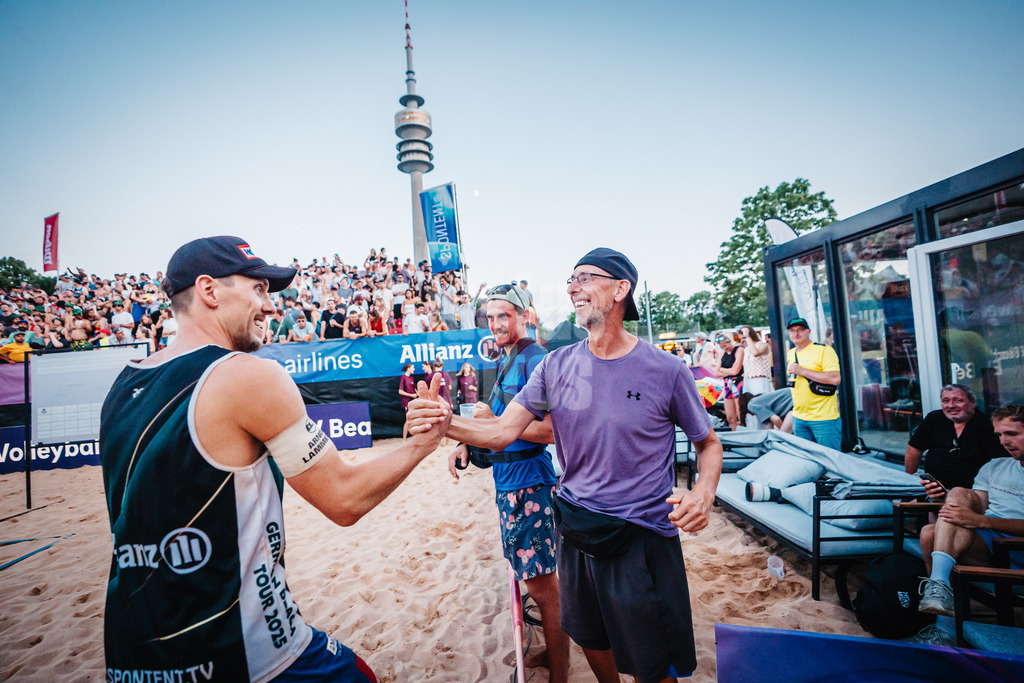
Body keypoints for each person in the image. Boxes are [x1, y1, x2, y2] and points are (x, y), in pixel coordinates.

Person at [99, 235, 450, 680]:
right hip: (240, 654)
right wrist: (421, 443)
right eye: (258, 289)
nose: (271, 306)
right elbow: (344, 499)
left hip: (133, 656)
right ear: (209, 291)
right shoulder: (246, 375)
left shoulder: (123, 387)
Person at [411, 247, 723, 682]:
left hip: (642, 535)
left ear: (620, 290)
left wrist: (703, 493)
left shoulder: (666, 369)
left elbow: (708, 443)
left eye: (586, 277)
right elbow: (501, 432)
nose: (573, 287)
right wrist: (447, 422)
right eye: (571, 278)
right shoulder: (556, 365)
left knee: (653, 664)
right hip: (576, 527)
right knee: (593, 640)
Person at [444, 284, 569, 682]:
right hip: (510, 481)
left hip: (530, 482)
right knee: (534, 580)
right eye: (491, 317)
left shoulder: (536, 357)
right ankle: (552, 654)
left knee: (543, 587)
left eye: (505, 316)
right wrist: (468, 442)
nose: (496, 324)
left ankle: (561, 673)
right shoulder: (509, 358)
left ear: (525, 316)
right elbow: (499, 428)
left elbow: (552, 431)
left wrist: (494, 424)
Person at [915, 404, 1024, 643]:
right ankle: (940, 591)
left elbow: (980, 517)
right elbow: (977, 506)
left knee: (931, 532)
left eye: (1012, 434)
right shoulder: (995, 466)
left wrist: (981, 521)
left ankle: (945, 627)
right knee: (940, 518)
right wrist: (942, 497)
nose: (1004, 441)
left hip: (1017, 549)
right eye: (999, 435)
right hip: (990, 545)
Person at [903, 384, 1004, 490]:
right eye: (945, 401)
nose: (951, 405)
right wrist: (911, 483)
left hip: (972, 492)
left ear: (972, 403)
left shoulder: (987, 425)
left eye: (958, 400)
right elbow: (914, 449)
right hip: (932, 490)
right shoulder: (934, 419)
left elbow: (1000, 463)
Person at [785, 317, 842, 450]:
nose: (796, 334)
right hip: (799, 417)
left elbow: (835, 379)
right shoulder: (791, 353)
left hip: (824, 417)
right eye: (792, 331)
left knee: (831, 460)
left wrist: (803, 371)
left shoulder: (824, 350)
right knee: (806, 460)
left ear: (809, 331)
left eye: (800, 330)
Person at [713, 333, 744, 431]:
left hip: (738, 383)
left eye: (725, 346)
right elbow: (717, 373)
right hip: (727, 383)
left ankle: (744, 433)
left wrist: (723, 370)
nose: (724, 349)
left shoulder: (739, 350)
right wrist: (729, 371)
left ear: (729, 341)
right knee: (730, 417)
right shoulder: (722, 353)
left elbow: (736, 371)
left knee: (740, 414)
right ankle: (733, 434)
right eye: (722, 347)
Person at [739, 325, 772, 397]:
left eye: (743, 338)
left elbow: (755, 353)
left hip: (759, 380)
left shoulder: (763, 345)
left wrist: (747, 336)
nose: (743, 340)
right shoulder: (747, 349)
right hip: (747, 381)